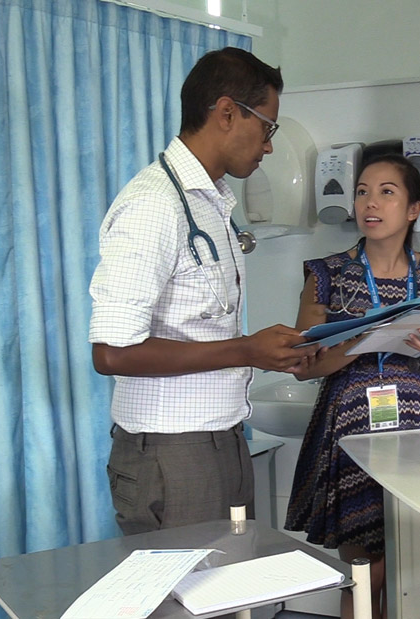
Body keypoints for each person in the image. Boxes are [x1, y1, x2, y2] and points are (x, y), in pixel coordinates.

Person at [89, 47, 317, 535]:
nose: (270, 146)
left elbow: (200, 327)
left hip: (223, 438)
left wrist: (263, 351)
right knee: (187, 610)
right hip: (172, 453)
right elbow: (110, 352)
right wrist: (246, 349)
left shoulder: (210, 204)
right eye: (268, 127)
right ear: (227, 112)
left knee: (232, 601)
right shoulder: (155, 205)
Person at [284, 154, 420, 619]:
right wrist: (364, 340)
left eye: (387, 192)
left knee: (418, 566)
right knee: (365, 569)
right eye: (362, 191)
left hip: (418, 431)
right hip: (353, 435)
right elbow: (302, 366)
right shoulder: (327, 274)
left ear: (413, 209)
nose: (370, 202)